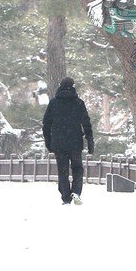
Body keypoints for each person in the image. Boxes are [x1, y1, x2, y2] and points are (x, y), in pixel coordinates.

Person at [42, 77, 94, 205]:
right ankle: (76, 191)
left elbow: (46, 124)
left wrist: (48, 142)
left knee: (62, 170)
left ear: (60, 86)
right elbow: (86, 123)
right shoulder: (78, 103)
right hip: (75, 142)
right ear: (73, 86)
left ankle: (66, 197)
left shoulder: (54, 103)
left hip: (58, 142)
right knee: (77, 168)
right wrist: (90, 141)